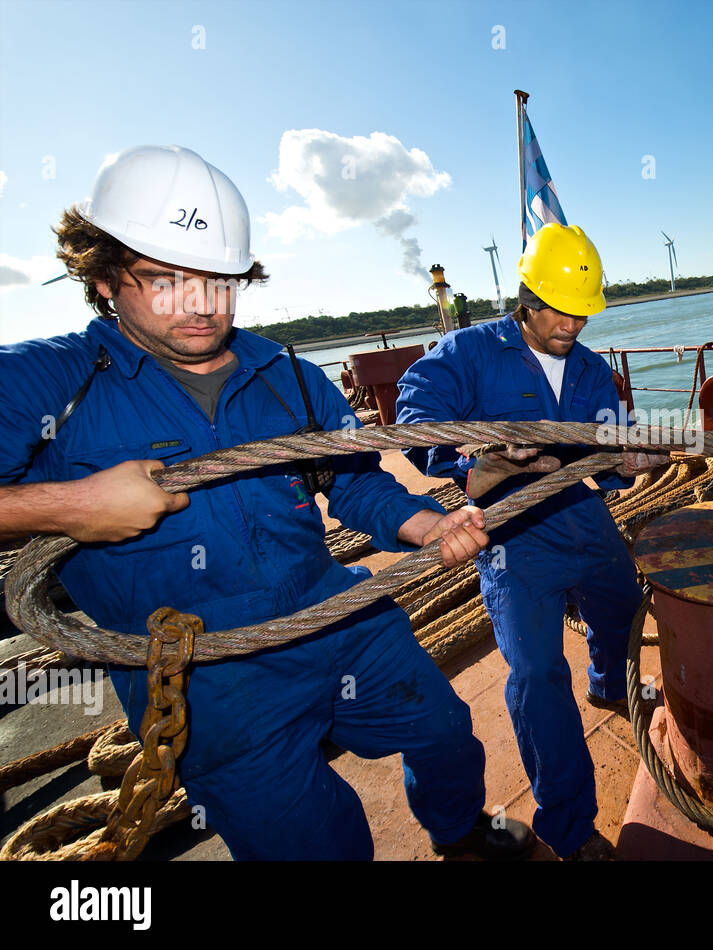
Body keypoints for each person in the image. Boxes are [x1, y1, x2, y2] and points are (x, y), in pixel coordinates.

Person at [0, 145, 535, 861]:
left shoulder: (289, 376)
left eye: (219, 279)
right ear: (103, 279)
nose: (201, 304)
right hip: (208, 679)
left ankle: (461, 833)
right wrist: (68, 506)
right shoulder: (48, 384)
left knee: (443, 734)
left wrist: (430, 523)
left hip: (334, 618)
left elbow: (351, 480)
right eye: (164, 280)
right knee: (315, 845)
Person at [395, 223, 668, 861]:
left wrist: (628, 455)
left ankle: (607, 680)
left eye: (583, 314)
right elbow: (414, 420)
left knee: (623, 607)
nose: (572, 325)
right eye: (560, 311)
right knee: (539, 673)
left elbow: (610, 434)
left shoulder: (593, 369)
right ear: (527, 298)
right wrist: (481, 449)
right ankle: (569, 826)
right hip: (514, 534)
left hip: (581, 512)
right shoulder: (467, 352)